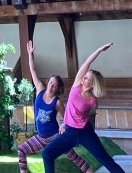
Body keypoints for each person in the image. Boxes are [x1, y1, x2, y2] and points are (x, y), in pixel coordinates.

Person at [41, 43, 126, 173]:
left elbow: (87, 116)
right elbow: (87, 62)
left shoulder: (93, 101)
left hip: (85, 132)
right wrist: (99, 50)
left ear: (92, 84)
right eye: (85, 75)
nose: (84, 77)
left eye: (87, 78)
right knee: (47, 154)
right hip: (69, 132)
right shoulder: (77, 84)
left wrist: (70, 121)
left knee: (106, 160)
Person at [19, 41, 91, 173]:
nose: (52, 85)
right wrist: (30, 54)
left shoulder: (57, 102)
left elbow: (67, 118)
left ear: (58, 88)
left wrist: (63, 125)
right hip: (40, 137)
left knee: (75, 158)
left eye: (55, 84)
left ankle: (88, 170)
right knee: (21, 150)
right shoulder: (40, 90)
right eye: (51, 82)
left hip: (55, 137)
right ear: (48, 82)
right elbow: (33, 71)